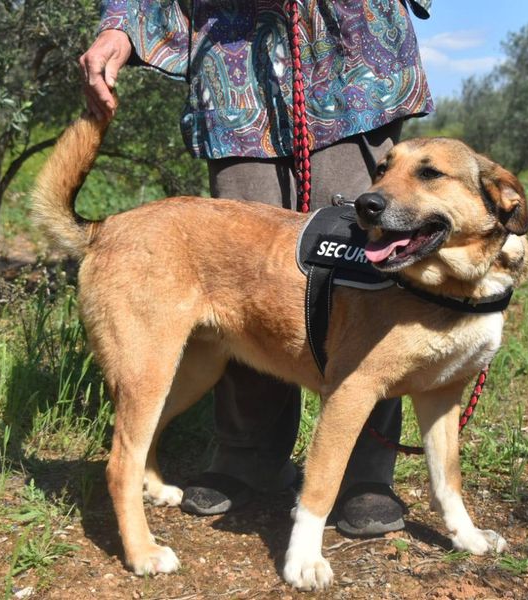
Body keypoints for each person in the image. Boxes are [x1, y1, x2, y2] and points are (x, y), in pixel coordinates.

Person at [80, 0, 433, 537]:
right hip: (236, 65)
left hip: (348, 60)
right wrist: (123, 25)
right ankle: (249, 455)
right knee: (238, 274)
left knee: (364, 268)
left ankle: (365, 470)